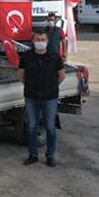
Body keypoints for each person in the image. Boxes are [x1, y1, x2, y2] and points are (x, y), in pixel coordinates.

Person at [17, 29, 66, 167]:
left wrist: (52, 86)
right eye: (37, 40)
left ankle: (50, 156)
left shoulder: (54, 56)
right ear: (33, 41)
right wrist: (28, 85)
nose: (40, 42)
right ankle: (33, 155)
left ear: (47, 41)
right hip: (31, 97)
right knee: (32, 127)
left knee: (50, 127)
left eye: (43, 40)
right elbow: (20, 73)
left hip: (49, 98)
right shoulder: (26, 57)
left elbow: (61, 75)